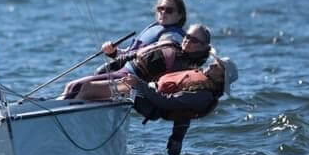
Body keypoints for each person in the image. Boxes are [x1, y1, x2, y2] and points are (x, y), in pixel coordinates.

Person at [59, 23, 212, 100]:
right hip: (123, 71)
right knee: (72, 86)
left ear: (203, 46)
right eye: (187, 36)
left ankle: (64, 120)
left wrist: (177, 135)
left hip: (131, 84)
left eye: (194, 40)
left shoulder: (189, 69)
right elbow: (137, 54)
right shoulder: (172, 45)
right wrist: (115, 58)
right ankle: (52, 108)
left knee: (87, 89)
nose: (187, 41)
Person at [127, 54, 239, 155]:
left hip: (151, 105)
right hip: (150, 91)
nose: (212, 64)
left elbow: (165, 102)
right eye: (215, 62)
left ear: (221, 78)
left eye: (218, 66)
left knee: (119, 87)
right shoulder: (200, 79)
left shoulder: (202, 96)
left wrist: (138, 83)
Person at [95, 0, 187, 75]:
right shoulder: (154, 28)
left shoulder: (173, 36)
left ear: (180, 15)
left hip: (138, 78)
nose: (163, 12)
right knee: (99, 73)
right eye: (160, 8)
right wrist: (113, 52)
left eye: (169, 10)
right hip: (127, 69)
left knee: (90, 82)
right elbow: (129, 53)